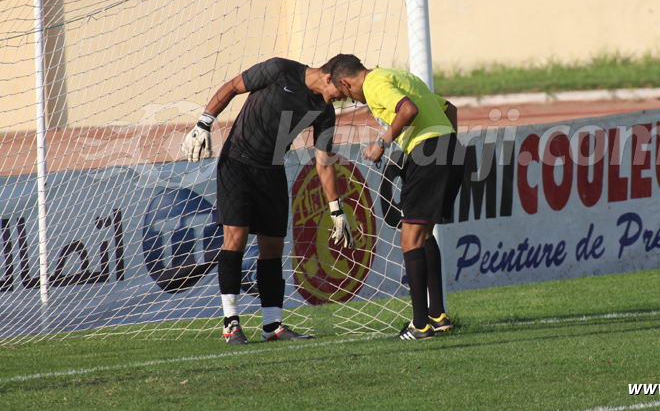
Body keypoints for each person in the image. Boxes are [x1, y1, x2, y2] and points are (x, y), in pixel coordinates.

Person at [181, 57, 353, 345]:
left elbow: (323, 162)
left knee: (272, 247)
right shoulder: (279, 70)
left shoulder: (324, 110)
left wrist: (336, 208)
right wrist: (203, 124)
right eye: (340, 92)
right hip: (237, 163)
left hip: (272, 170)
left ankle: (272, 324)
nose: (340, 100)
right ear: (327, 78)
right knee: (235, 239)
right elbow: (233, 86)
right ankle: (231, 323)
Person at [325, 53, 461, 340]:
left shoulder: (374, 84)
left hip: (427, 151)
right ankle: (438, 316)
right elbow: (450, 109)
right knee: (424, 235)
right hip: (449, 147)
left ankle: (420, 325)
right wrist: (446, 147)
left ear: (346, 83)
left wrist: (381, 144)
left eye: (346, 96)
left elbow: (408, 110)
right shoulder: (402, 76)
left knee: (409, 238)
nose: (353, 101)